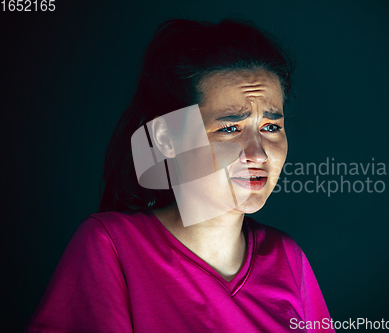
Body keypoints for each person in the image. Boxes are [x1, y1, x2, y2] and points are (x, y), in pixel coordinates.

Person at [24, 18, 334, 332]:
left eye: (270, 128)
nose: (257, 153)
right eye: (229, 128)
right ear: (166, 138)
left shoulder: (288, 258)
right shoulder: (111, 246)